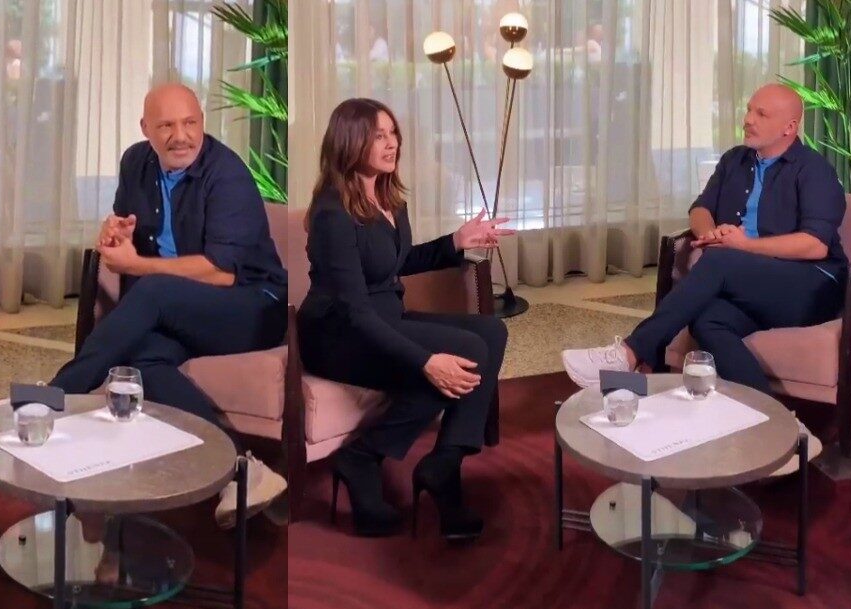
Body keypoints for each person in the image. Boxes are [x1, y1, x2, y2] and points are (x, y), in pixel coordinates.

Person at [48, 84, 288, 527]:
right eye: (166, 126)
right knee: (141, 361)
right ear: (146, 129)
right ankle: (243, 470)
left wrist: (138, 265)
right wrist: (115, 234)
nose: (181, 136)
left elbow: (223, 273)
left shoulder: (227, 174)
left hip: (255, 305)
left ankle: (54, 398)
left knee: (154, 288)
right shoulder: (135, 162)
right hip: (185, 308)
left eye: (190, 123)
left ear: (202, 122)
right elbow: (125, 228)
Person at [299, 98, 511, 540]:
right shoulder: (332, 213)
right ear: (350, 141)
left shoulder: (388, 198)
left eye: (393, 133)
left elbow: (395, 263)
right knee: (466, 351)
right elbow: (355, 311)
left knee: (491, 330)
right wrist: (425, 361)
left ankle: (444, 463)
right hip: (338, 337)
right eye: (378, 135)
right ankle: (364, 456)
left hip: (384, 319)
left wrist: (456, 241)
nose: (391, 142)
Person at [561, 84, 846, 393]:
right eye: (749, 110)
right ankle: (773, 413)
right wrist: (710, 233)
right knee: (708, 321)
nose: (748, 119)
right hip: (749, 282)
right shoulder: (735, 160)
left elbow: (815, 245)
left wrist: (743, 246)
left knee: (721, 259)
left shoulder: (814, 170)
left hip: (809, 287)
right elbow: (700, 208)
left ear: (789, 127)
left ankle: (630, 353)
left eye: (761, 114)